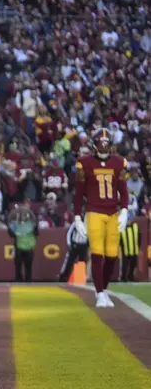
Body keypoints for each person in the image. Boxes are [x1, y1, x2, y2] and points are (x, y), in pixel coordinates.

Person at [73, 128, 129, 308]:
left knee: (112, 255)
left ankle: (103, 290)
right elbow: (79, 192)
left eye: (106, 144)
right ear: (94, 145)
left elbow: (123, 188)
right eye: (100, 144)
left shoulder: (119, 162)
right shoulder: (84, 163)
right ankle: (99, 293)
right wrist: (77, 217)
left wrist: (125, 210)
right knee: (97, 254)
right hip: (94, 211)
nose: (104, 147)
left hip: (112, 212)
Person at [57, 212, 89, 282]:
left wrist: (88, 245)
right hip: (75, 244)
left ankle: (79, 279)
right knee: (70, 262)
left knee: (82, 262)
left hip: (83, 245)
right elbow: (69, 232)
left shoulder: (90, 225)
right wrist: (69, 243)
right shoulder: (76, 223)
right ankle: (63, 278)